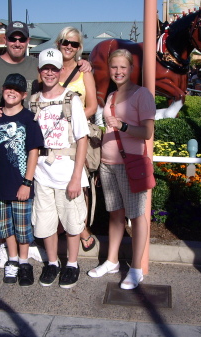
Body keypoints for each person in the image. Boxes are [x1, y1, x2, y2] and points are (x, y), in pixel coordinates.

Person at [0, 21, 91, 268]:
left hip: (33, 154)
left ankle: (28, 248)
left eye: (22, 39)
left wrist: (84, 63)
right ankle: (5, 247)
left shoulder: (36, 63)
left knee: (26, 204)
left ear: (27, 42)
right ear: (6, 41)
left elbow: (61, 67)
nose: (17, 43)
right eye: (13, 39)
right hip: (2, 146)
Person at [87, 49, 155, 290]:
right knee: (115, 214)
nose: (118, 71)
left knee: (136, 216)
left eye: (123, 67)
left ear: (131, 69)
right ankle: (112, 261)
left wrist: (123, 125)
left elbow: (146, 132)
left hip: (131, 164)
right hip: (108, 164)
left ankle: (136, 268)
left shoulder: (142, 95)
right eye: (114, 67)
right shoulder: (113, 96)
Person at [31, 48, 89, 289]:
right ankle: (52, 262)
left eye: (54, 68)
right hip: (41, 174)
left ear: (61, 70)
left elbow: (82, 139)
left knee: (73, 222)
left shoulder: (71, 99)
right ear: (39, 71)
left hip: (67, 174)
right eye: (45, 68)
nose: (49, 73)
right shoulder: (34, 100)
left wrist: (76, 177)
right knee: (46, 222)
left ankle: (72, 264)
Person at [0, 73, 44, 285]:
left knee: (22, 226)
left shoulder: (28, 119)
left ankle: (25, 262)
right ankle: (13, 260)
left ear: (24, 95)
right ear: (3, 90)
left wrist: (27, 182)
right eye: (9, 88)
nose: (12, 92)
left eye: (17, 90)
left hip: (21, 185)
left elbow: (33, 152)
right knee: (5, 226)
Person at [55, 27, 97, 252]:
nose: (69, 47)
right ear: (58, 43)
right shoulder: (48, 68)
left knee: (78, 182)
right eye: (65, 42)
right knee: (55, 182)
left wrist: (73, 120)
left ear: (79, 48)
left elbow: (92, 106)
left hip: (76, 135)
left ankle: (81, 228)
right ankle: (74, 229)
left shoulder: (84, 72)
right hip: (52, 136)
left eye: (74, 44)